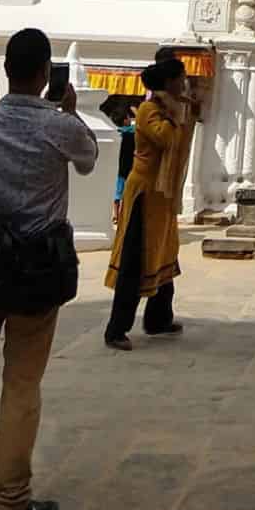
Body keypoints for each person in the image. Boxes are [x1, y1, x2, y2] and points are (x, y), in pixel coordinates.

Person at [0, 28, 98, 510]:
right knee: (21, 387)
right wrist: (69, 112)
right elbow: (89, 159)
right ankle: (10, 503)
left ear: (6, 71)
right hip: (37, 272)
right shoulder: (58, 127)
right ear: (47, 73)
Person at [103, 58, 197, 350]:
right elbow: (165, 139)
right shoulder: (149, 110)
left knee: (165, 252)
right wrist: (176, 113)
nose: (184, 83)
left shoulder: (170, 109)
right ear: (169, 81)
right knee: (135, 259)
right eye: (181, 78)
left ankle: (158, 318)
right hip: (144, 194)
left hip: (162, 194)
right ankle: (116, 329)